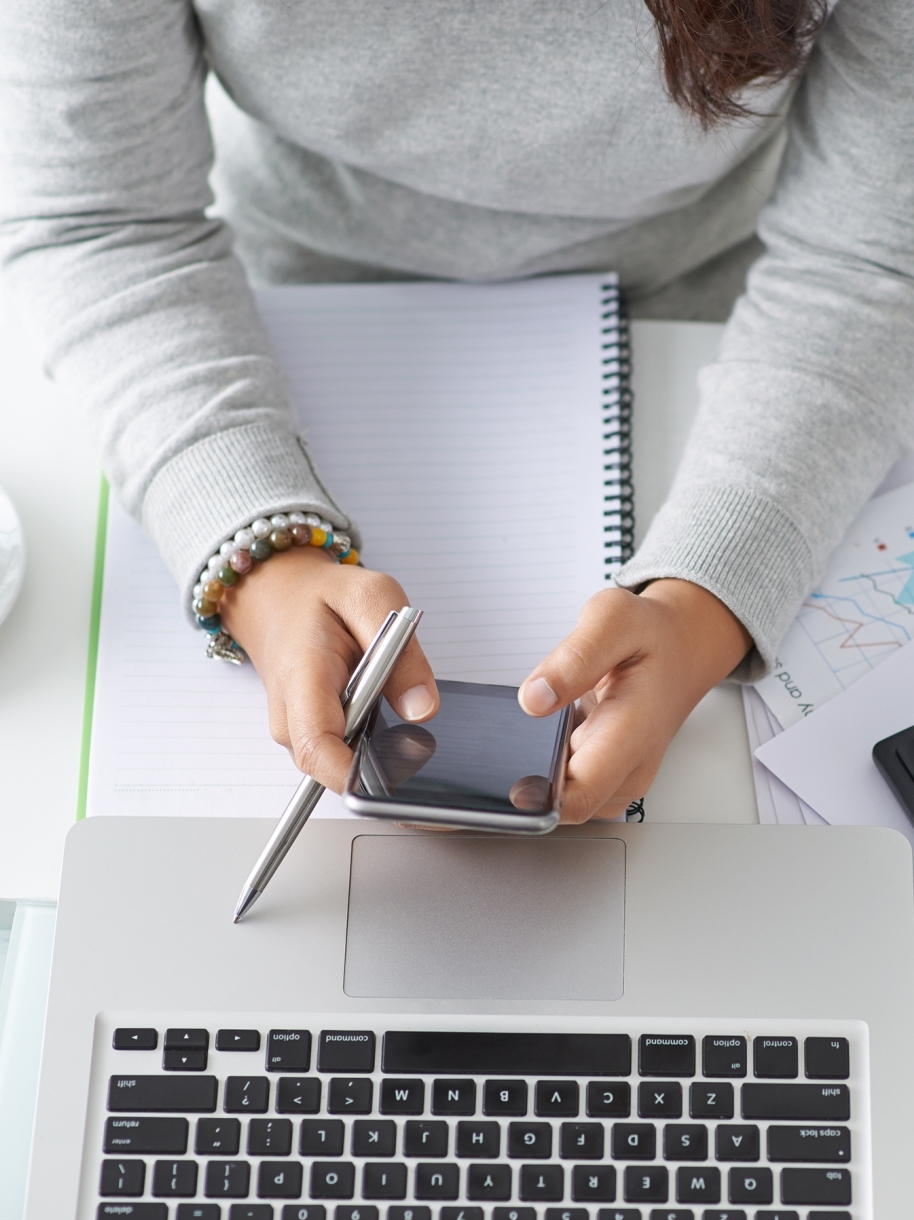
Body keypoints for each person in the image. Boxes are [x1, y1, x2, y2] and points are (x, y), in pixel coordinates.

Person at [1, 1, 911, 822]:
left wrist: (710, 595)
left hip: (719, 333)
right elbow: (100, 216)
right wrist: (253, 554)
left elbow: (873, 264)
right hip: (264, 317)